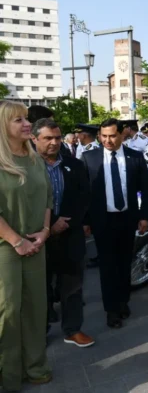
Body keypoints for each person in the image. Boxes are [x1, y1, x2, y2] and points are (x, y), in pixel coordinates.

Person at [0, 100, 53, 391]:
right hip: (6, 248)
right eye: (17, 120)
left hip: (36, 244)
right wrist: (16, 241)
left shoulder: (34, 158)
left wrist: (44, 232)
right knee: (8, 312)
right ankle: (7, 376)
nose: (26, 124)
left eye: (25, 119)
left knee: (36, 308)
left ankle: (36, 367)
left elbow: (47, 198)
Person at [81, 118, 148, 329]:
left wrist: (144, 216)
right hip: (102, 220)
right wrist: (85, 221)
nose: (108, 140)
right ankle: (111, 310)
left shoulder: (135, 157)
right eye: (104, 136)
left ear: (122, 134)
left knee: (124, 264)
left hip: (127, 219)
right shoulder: (89, 158)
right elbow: (84, 194)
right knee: (107, 266)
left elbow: (146, 189)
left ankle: (123, 301)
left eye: (112, 135)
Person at [31, 118, 94, 348]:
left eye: (57, 138)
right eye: (48, 138)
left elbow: (84, 198)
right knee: (40, 288)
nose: (54, 142)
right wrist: (51, 224)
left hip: (70, 234)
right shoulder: (26, 167)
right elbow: (26, 203)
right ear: (34, 139)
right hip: (38, 237)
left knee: (73, 286)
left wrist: (66, 223)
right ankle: (41, 332)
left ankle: (73, 329)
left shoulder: (74, 165)